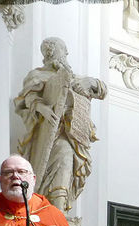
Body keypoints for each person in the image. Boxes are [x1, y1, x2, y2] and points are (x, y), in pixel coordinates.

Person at [14, 37, 107, 214]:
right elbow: (27, 100)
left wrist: (90, 82)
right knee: (58, 162)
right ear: (54, 52)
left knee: (66, 164)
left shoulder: (74, 78)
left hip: (72, 134)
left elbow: (102, 90)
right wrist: (42, 108)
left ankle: (59, 212)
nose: (67, 54)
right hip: (49, 134)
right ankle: (55, 213)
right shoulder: (37, 75)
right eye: (63, 50)